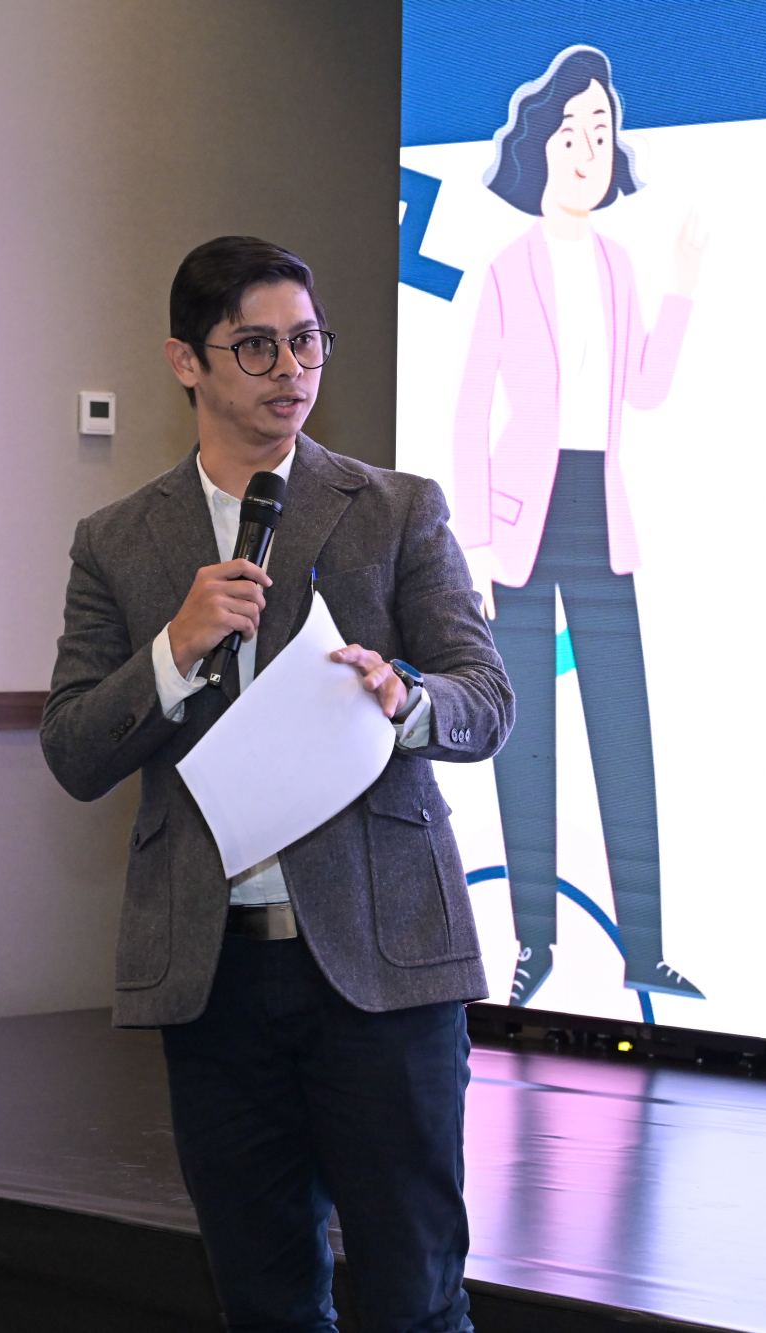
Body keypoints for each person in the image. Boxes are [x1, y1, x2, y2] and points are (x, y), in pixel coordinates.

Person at [41, 235, 513, 1332]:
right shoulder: (118, 541)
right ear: (186, 361)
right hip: (215, 979)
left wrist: (406, 698)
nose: (291, 370)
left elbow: (485, 697)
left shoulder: (394, 509)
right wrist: (174, 647)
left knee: (414, 1293)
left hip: (383, 963)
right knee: (263, 1297)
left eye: (306, 342)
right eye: (256, 347)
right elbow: (72, 749)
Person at [451, 44, 707, 1007]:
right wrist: (478, 541)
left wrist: (681, 290)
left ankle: (646, 949)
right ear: (538, 147)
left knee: (623, 726)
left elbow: (645, 389)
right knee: (525, 735)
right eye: (570, 130)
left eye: (602, 131)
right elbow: (470, 406)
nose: (588, 149)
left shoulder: (620, 266)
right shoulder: (507, 268)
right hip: (524, 516)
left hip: (600, 508)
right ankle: (534, 944)